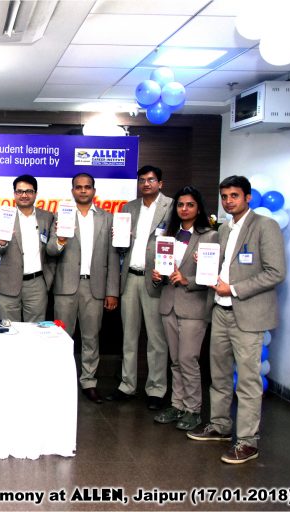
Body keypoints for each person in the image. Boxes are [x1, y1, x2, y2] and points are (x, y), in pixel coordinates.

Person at [187, 175, 286, 465]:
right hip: (220, 310)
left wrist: (234, 289)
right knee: (218, 375)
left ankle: (247, 441)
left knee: (247, 381)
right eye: (225, 197)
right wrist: (205, 263)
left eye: (234, 196)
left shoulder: (265, 226)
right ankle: (220, 425)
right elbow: (225, 267)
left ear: (248, 197)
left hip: (248, 314)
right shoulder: (225, 228)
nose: (229, 201)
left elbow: (275, 272)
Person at [46, 173, 119, 403]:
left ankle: (89, 382)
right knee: (62, 337)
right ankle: (61, 381)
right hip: (65, 286)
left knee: (91, 338)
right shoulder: (61, 215)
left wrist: (112, 291)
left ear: (94, 191)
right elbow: (50, 251)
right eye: (79, 187)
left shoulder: (107, 218)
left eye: (87, 187)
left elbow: (113, 256)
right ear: (73, 191)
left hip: (94, 287)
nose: (83, 190)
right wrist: (60, 240)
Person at [150, 186, 217, 431]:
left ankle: (193, 409)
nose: (184, 209)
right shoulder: (169, 236)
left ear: (198, 208)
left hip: (193, 306)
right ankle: (177, 404)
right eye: (180, 205)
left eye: (190, 205)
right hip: (168, 303)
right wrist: (157, 277)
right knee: (175, 360)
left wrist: (188, 280)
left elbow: (213, 275)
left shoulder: (210, 236)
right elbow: (163, 271)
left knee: (188, 359)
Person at [107, 165, 173, 410]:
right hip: (131, 278)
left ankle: (156, 389)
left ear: (160, 183)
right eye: (142, 180)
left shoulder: (172, 206)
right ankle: (127, 385)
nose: (146, 184)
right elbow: (120, 248)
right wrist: (120, 237)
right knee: (129, 336)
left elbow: (178, 242)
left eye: (151, 180)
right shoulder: (129, 208)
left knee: (156, 339)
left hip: (155, 279)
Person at [0, 174, 55, 322]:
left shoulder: (47, 217)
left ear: (35, 193)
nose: (24, 195)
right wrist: (1, 243)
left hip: (37, 284)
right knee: (10, 329)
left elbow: (52, 249)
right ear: (14, 194)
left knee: (36, 330)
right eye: (20, 191)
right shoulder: (3, 217)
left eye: (29, 191)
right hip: (8, 283)